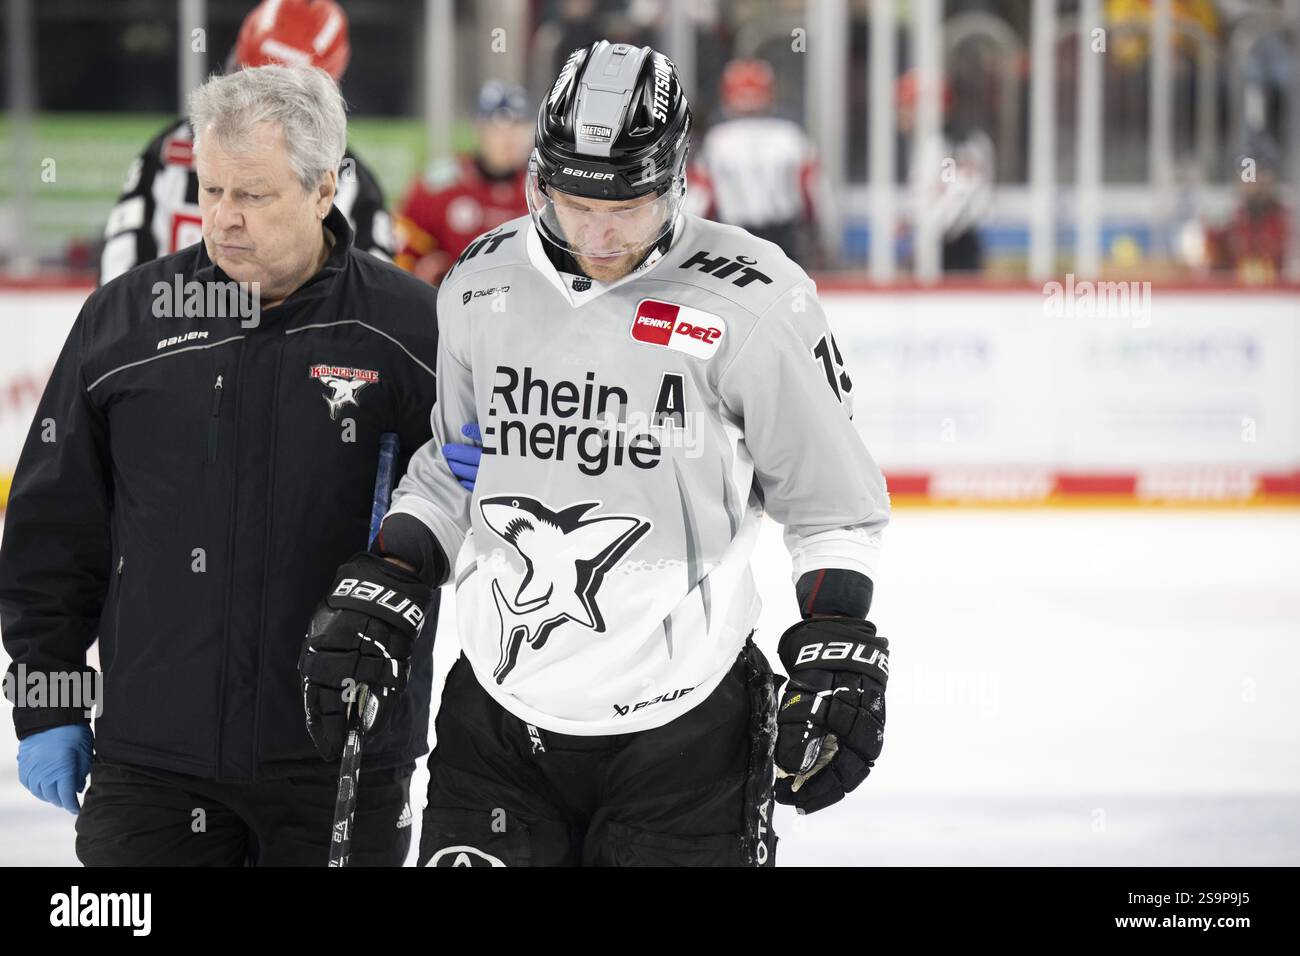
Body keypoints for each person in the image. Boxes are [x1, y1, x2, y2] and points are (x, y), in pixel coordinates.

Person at [299, 41, 892, 867]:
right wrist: (393, 572)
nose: (599, 232)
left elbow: (832, 506)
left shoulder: (757, 297)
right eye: (574, 203)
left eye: (629, 205)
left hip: (686, 738)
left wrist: (838, 636)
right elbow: (458, 461)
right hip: (497, 724)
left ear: (677, 178)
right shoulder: (481, 280)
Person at [1, 64, 450, 866]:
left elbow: (469, 509)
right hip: (152, 769)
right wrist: (48, 703)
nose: (222, 219)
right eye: (210, 191)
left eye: (253, 194)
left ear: (323, 190)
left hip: (341, 761)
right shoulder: (125, 322)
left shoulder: (411, 332)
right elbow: (51, 536)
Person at [99, 0, 394, 285]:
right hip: (175, 328)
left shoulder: (352, 184)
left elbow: (375, 301)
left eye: (278, 106)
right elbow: (121, 278)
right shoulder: (170, 153)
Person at [689, 58, 830, 267]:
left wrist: (690, 244)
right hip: (784, 238)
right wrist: (822, 238)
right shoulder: (791, 136)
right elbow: (814, 193)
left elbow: (700, 200)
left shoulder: (716, 140)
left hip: (733, 238)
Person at [394, 81, 532, 286]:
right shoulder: (439, 185)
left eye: (519, 126)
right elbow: (403, 251)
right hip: (447, 309)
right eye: (500, 127)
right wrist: (423, 271)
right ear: (479, 129)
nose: (509, 138)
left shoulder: (542, 192)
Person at [896, 69, 995, 274]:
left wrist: (925, 235)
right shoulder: (933, 145)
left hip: (953, 256)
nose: (901, 113)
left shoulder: (956, 144)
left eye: (906, 105)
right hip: (940, 251)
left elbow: (956, 199)